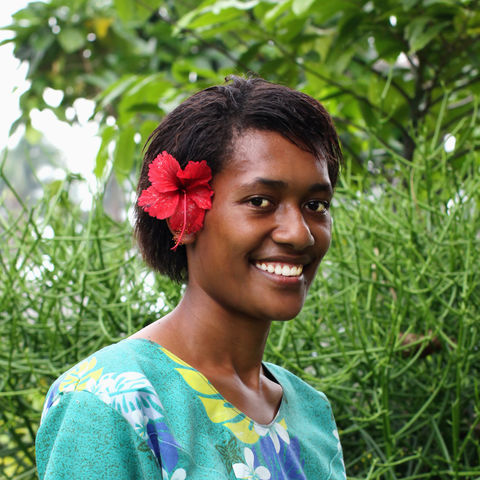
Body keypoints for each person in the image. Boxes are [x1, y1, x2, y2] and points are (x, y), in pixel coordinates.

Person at [36, 76, 346, 479]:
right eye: (260, 201)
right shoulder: (108, 403)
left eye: (315, 204)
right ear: (185, 214)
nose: (299, 232)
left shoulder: (311, 412)